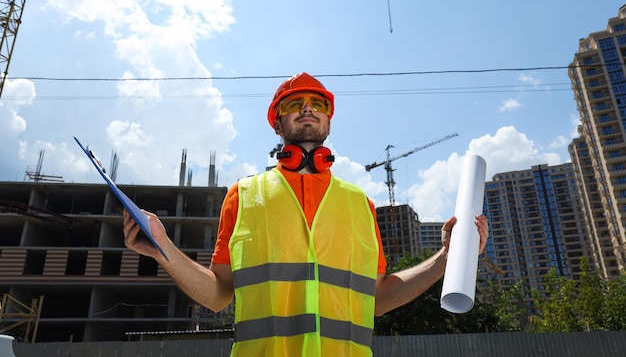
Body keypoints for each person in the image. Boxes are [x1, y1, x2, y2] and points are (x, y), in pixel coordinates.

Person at [123, 72, 489, 357]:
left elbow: (376, 298)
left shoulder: (359, 203)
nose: (308, 107)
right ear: (277, 123)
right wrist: (163, 248)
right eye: (294, 103)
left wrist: (446, 258)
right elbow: (219, 295)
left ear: (329, 119)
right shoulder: (244, 196)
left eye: (317, 102)